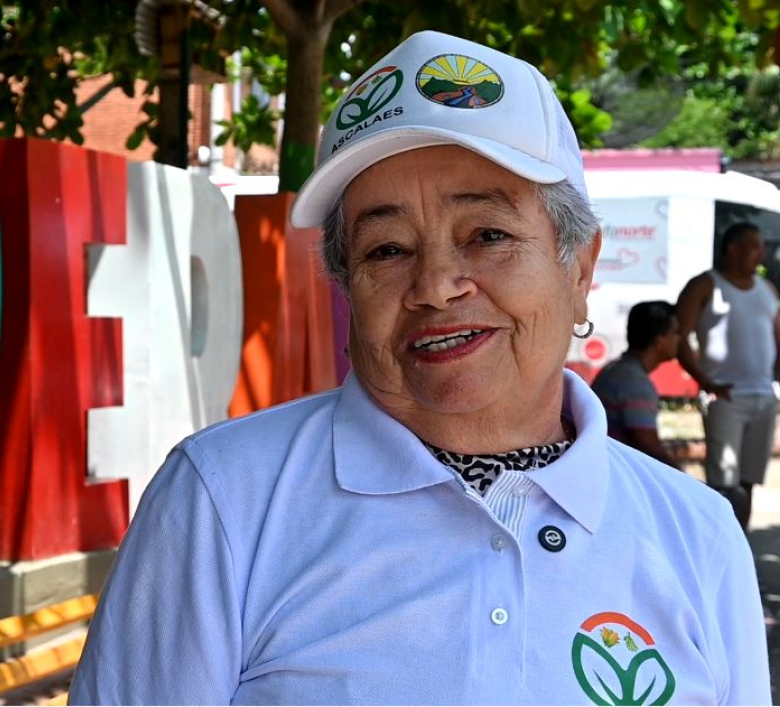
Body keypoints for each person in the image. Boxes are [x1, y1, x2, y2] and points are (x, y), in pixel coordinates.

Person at [70, 31, 768, 705]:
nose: (436, 283)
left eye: (488, 235)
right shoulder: (223, 502)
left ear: (579, 268)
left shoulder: (697, 536)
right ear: (348, 290)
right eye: (386, 249)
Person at [676, 222, 780, 530]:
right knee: (724, 486)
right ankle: (717, 553)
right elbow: (679, 337)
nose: (760, 253)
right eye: (754, 246)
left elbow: (777, 338)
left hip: (764, 397)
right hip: (725, 398)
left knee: (748, 483)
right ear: (733, 248)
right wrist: (705, 382)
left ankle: (741, 554)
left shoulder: (767, 288)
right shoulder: (706, 285)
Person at [591, 300, 681, 468]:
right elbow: (648, 445)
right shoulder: (635, 382)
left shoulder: (618, 370)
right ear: (659, 341)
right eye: (675, 333)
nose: (680, 339)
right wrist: (684, 479)